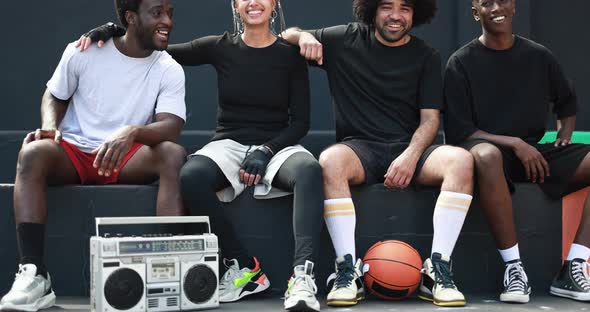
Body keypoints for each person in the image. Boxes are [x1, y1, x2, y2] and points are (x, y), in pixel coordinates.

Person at [77, 0, 324, 311]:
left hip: (277, 145)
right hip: (229, 143)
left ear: (274, 3)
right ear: (236, 6)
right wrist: (116, 31)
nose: (253, 2)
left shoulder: (290, 54)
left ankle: (303, 275)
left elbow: (301, 123)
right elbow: (158, 46)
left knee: (309, 170)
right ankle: (245, 268)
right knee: (191, 176)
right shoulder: (220, 47)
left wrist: (266, 150)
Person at [282, 0, 474, 307]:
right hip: (360, 148)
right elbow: (287, 33)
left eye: (405, 8)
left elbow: (430, 120)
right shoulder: (344, 39)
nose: (396, 16)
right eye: (387, 6)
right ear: (372, 9)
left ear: (416, 14)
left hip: (410, 149)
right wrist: (303, 36)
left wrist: (411, 155)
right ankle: (347, 270)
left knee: (461, 160)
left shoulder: (426, 56)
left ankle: (437, 270)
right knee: (330, 159)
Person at [0, 0, 187, 311]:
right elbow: (54, 94)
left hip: (126, 157)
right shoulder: (84, 50)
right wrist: (49, 127)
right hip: (74, 152)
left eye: (170, 13)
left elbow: (171, 125)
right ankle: (34, 275)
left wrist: (133, 132)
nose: (167, 21)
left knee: (172, 154)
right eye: (157, 13)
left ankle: (166, 272)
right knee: (32, 153)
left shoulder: (168, 67)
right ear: (131, 17)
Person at [444, 0, 590, 304]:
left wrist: (564, 135)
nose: (497, 8)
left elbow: (567, 103)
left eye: (504, 1)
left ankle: (574, 266)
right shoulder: (461, 62)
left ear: (513, 7)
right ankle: (514, 268)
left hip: (533, 153)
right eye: (487, 3)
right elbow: (461, 131)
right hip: (489, 153)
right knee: (486, 155)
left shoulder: (538, 56)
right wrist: (515, 143)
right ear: (475, 13)